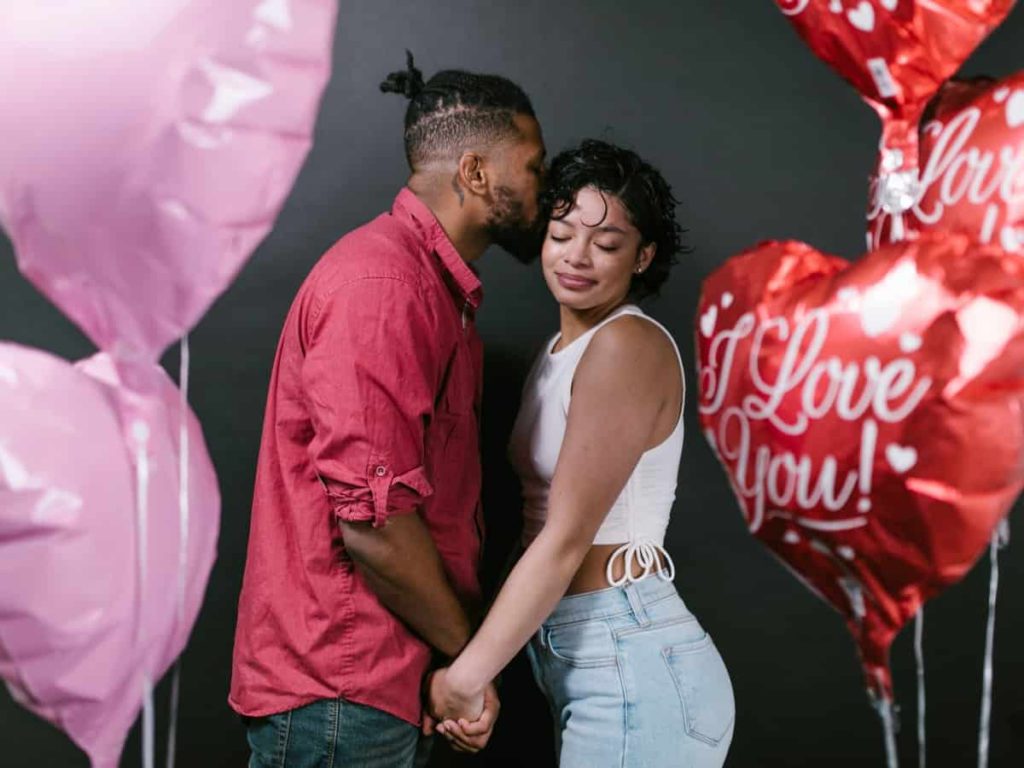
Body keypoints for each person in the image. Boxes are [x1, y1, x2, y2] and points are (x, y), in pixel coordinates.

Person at [229, 53, 546, 767]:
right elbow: (373, 526)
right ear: (474, 173)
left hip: (373, 685)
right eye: (532, 164)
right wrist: (469, 661)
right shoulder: (386, 285)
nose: (543, 186)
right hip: (342, 689)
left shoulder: (430, 291)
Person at [426, 140, 735, 767]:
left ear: (643, 255)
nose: (577, 256)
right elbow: (535, 528)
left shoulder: (626, 345)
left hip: (632, 655)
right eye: (562, 233)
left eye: (608, 243)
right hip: (586, 654)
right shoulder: (560, 353)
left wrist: (464, 678)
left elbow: (566, 539)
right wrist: (485, 665)